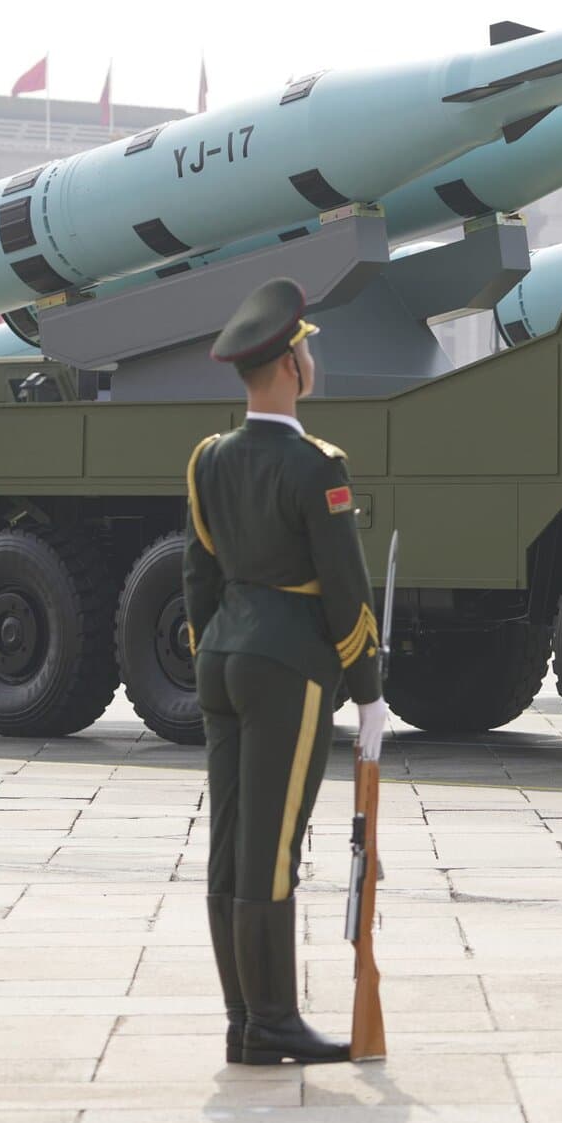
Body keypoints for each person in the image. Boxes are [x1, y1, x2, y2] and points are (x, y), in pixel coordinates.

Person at [183, 277, 390, 1065]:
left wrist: (215, 648)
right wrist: (368, 691)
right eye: (305, 350)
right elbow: (344, 588)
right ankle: (271, 1024)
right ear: (288, 368)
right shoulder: (316, 466)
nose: (311, 360)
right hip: (287, 667)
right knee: (271, 846)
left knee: (232, 842)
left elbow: (198, 575)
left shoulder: (209, 459)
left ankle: (245, 1019)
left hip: (222, 659)